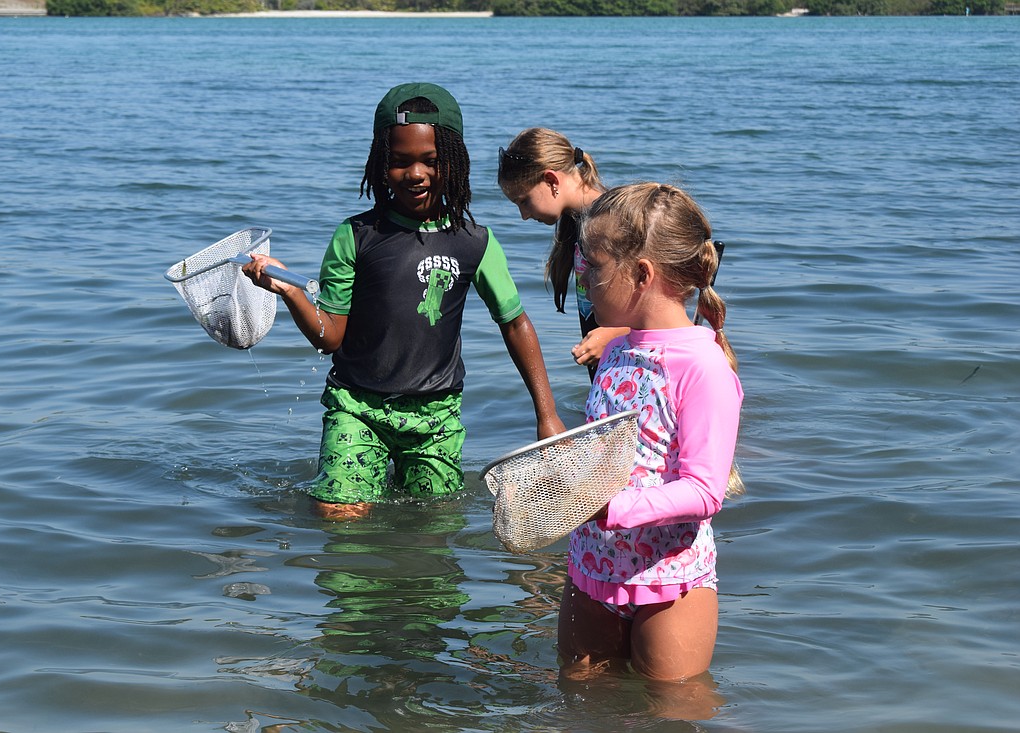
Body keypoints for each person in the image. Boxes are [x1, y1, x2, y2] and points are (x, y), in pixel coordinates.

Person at [242, 83, 565, 521]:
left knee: (435, 526)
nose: (415, 174)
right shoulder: (355, 237)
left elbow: (514, 323)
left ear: (454, 162)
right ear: (379, 163)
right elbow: (330, 338)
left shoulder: (476, 242)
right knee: (340, 516)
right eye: (399, 162)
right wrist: (293, 293)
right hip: (356, 407)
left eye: (431, 162)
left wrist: (547, 416)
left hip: (436, 416)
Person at [557, 182, 744, 684]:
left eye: (593, 267)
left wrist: (613, 508)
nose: (583, 279)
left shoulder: (701, 365)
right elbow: (605, 449)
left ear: (641, 274)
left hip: (669, 578)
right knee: (581, 700)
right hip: (592, 565)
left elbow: (705, 490)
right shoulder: (616, 350)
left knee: (674, 709)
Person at [496, 127, 628, 379]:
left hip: (635, 372)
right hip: (610, 375)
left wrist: (613, 335)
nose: (523, 215)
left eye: (524, 201)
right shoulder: (578, 222)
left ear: (551, 180)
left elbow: (657, 309)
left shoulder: (614, 220)